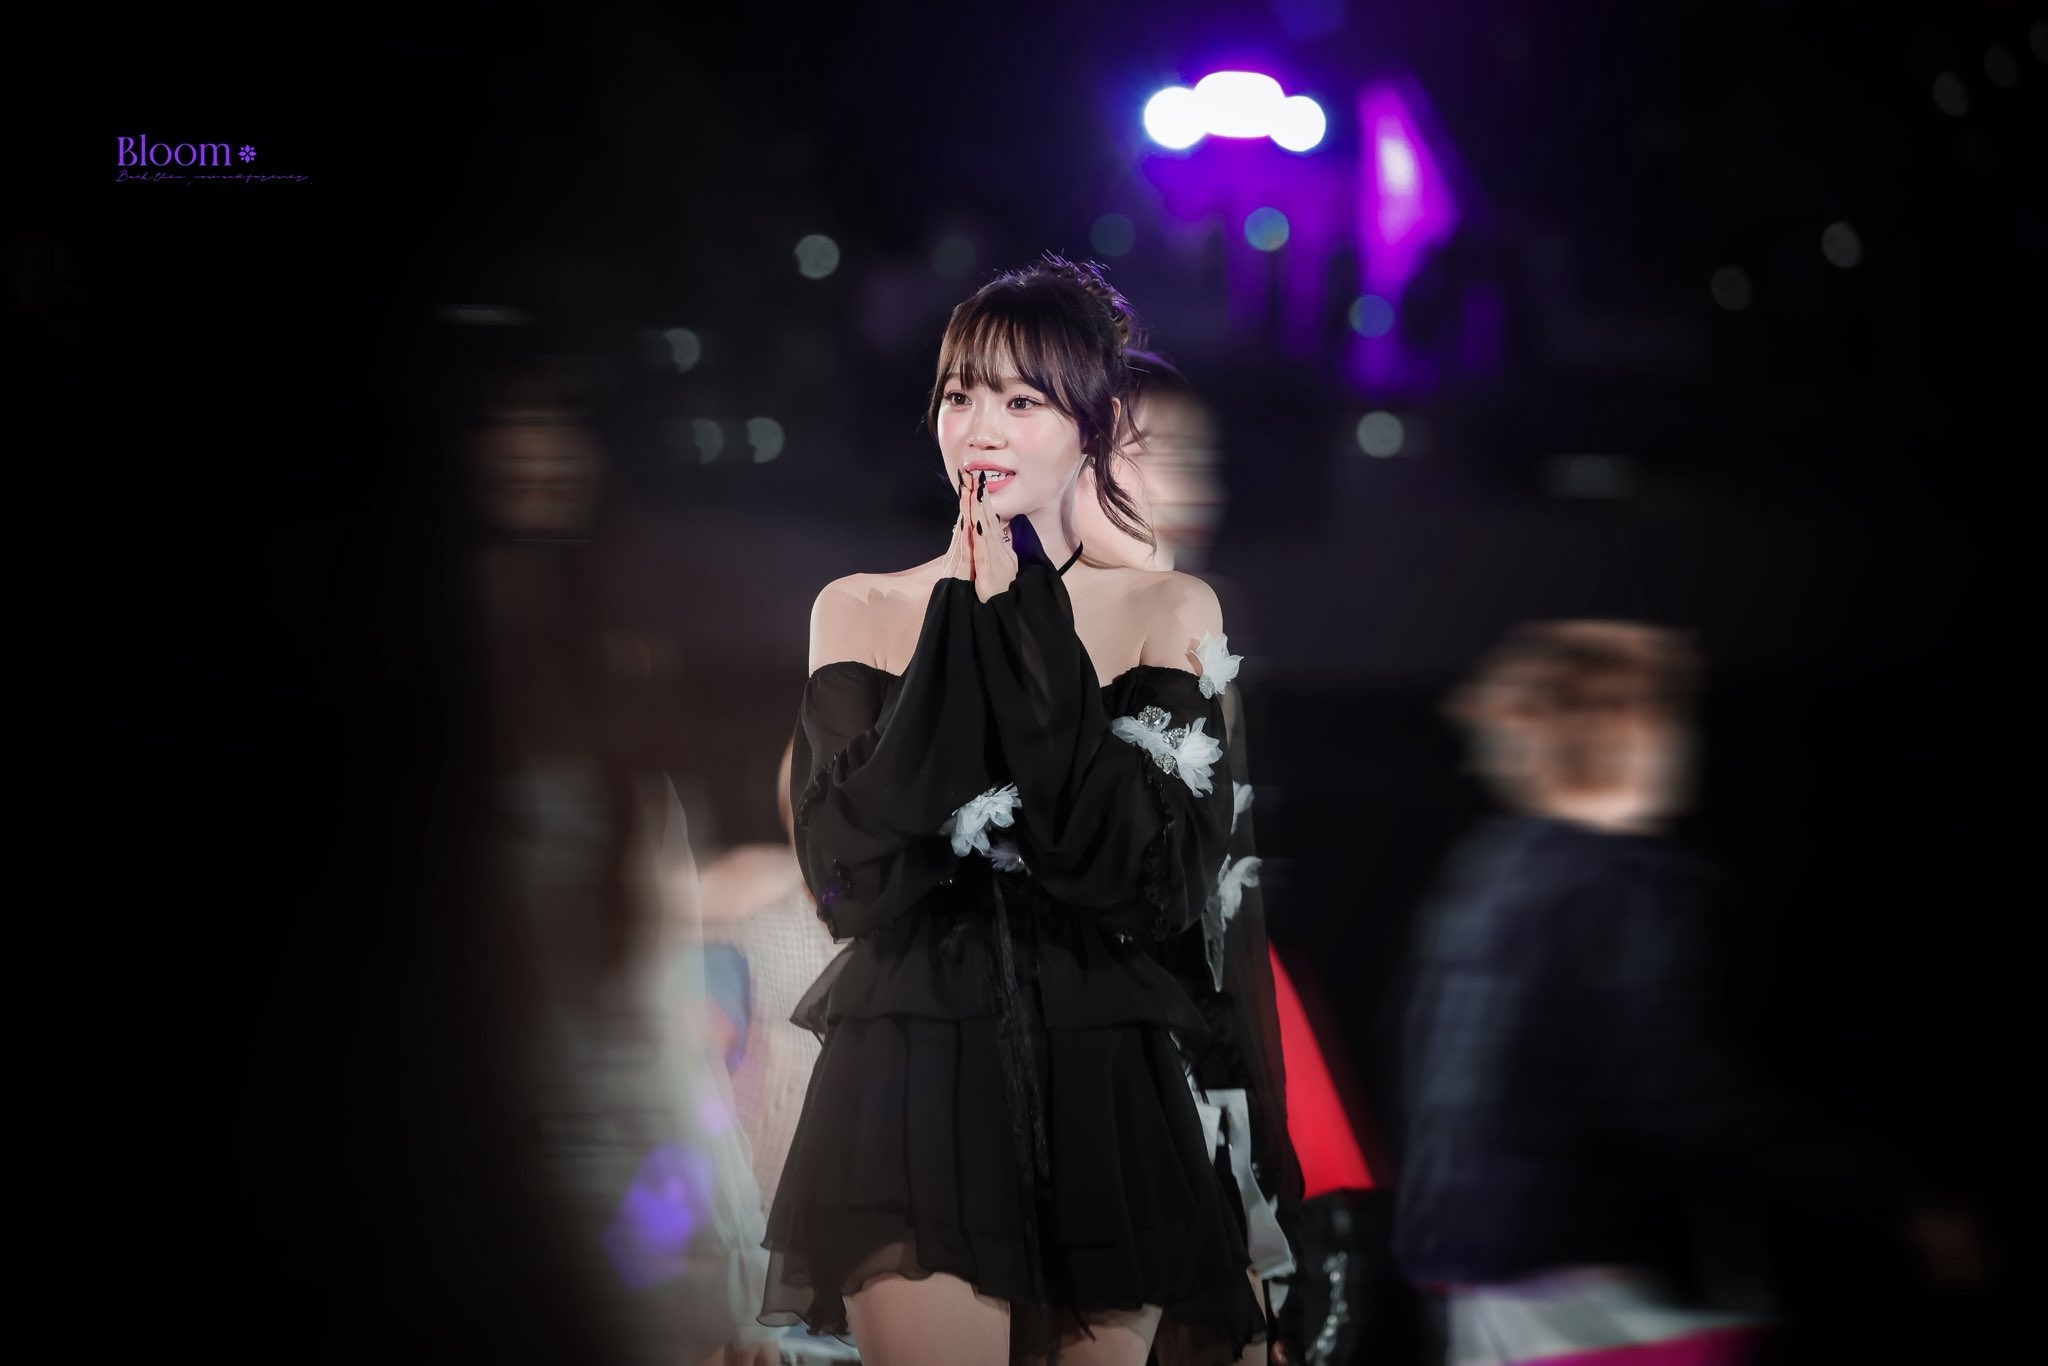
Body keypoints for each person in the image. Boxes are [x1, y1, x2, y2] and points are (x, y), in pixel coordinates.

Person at [762, 257, 1278, 1366]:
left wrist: (1025, 625)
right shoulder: (859, 607)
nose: (980, 428)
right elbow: (848, 873)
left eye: (1021, 399)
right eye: (960, 395)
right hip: (914, 1068)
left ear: (1091, 426)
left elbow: (1144, 879)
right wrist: (961, 619)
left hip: (1105, 1079)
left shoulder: (1168, 607)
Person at [1394, 622, 1983, 1366]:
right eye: (1667, 718)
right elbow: (1680, 1087)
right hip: (1594, 1290)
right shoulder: (1623, 887)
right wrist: (1898, 1198)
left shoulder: (1489, 878)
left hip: (1482, 1286)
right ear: (1630, 733)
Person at [464, 359, 780, 1366]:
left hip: (626, 1062)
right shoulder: (466, 662)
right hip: (519, 1068)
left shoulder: (614, 644)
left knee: (662, 1282)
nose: (537, 452)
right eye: (510, 424)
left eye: (558, 426)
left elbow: (658, 882)